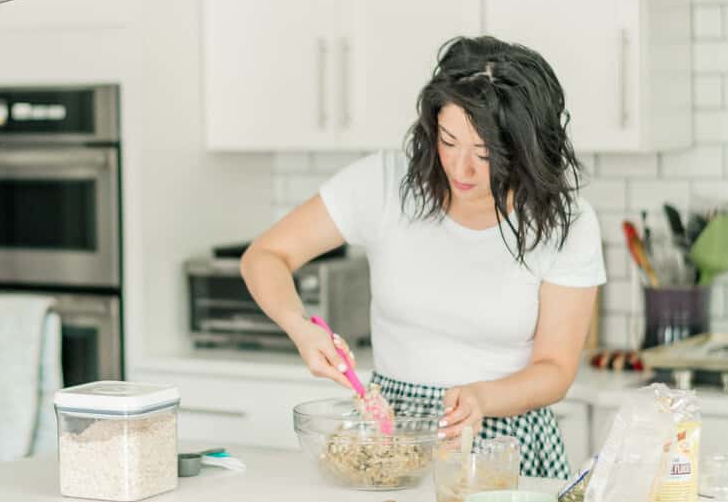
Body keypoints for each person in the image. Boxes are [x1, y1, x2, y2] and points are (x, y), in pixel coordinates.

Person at [240, 36, 605, 477]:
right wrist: (299, 328)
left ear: (526, 149)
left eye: (485, 153)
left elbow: (556, 369)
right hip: (391, 434)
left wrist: (482, 398)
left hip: (504, 441)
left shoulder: (566, 223)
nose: (460, 168)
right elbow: (265, 255)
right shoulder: (384, 184)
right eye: (449, 142)